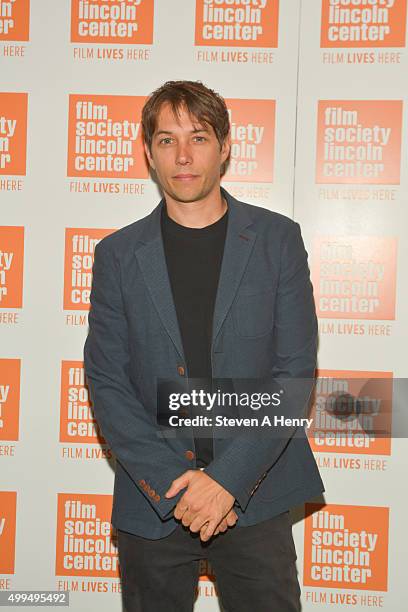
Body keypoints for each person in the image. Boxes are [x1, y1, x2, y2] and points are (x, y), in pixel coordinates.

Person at [83, 80, 324, 612]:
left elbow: (293, 376)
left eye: (199, 137)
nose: (184, 155)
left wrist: (226, 482)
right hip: (155, 501)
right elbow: (106, 382)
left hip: (255, 494)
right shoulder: (118, 256)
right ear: (148, 151)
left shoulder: (277, 240)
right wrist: (179, 484)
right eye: (167, 140)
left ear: (226, 145)